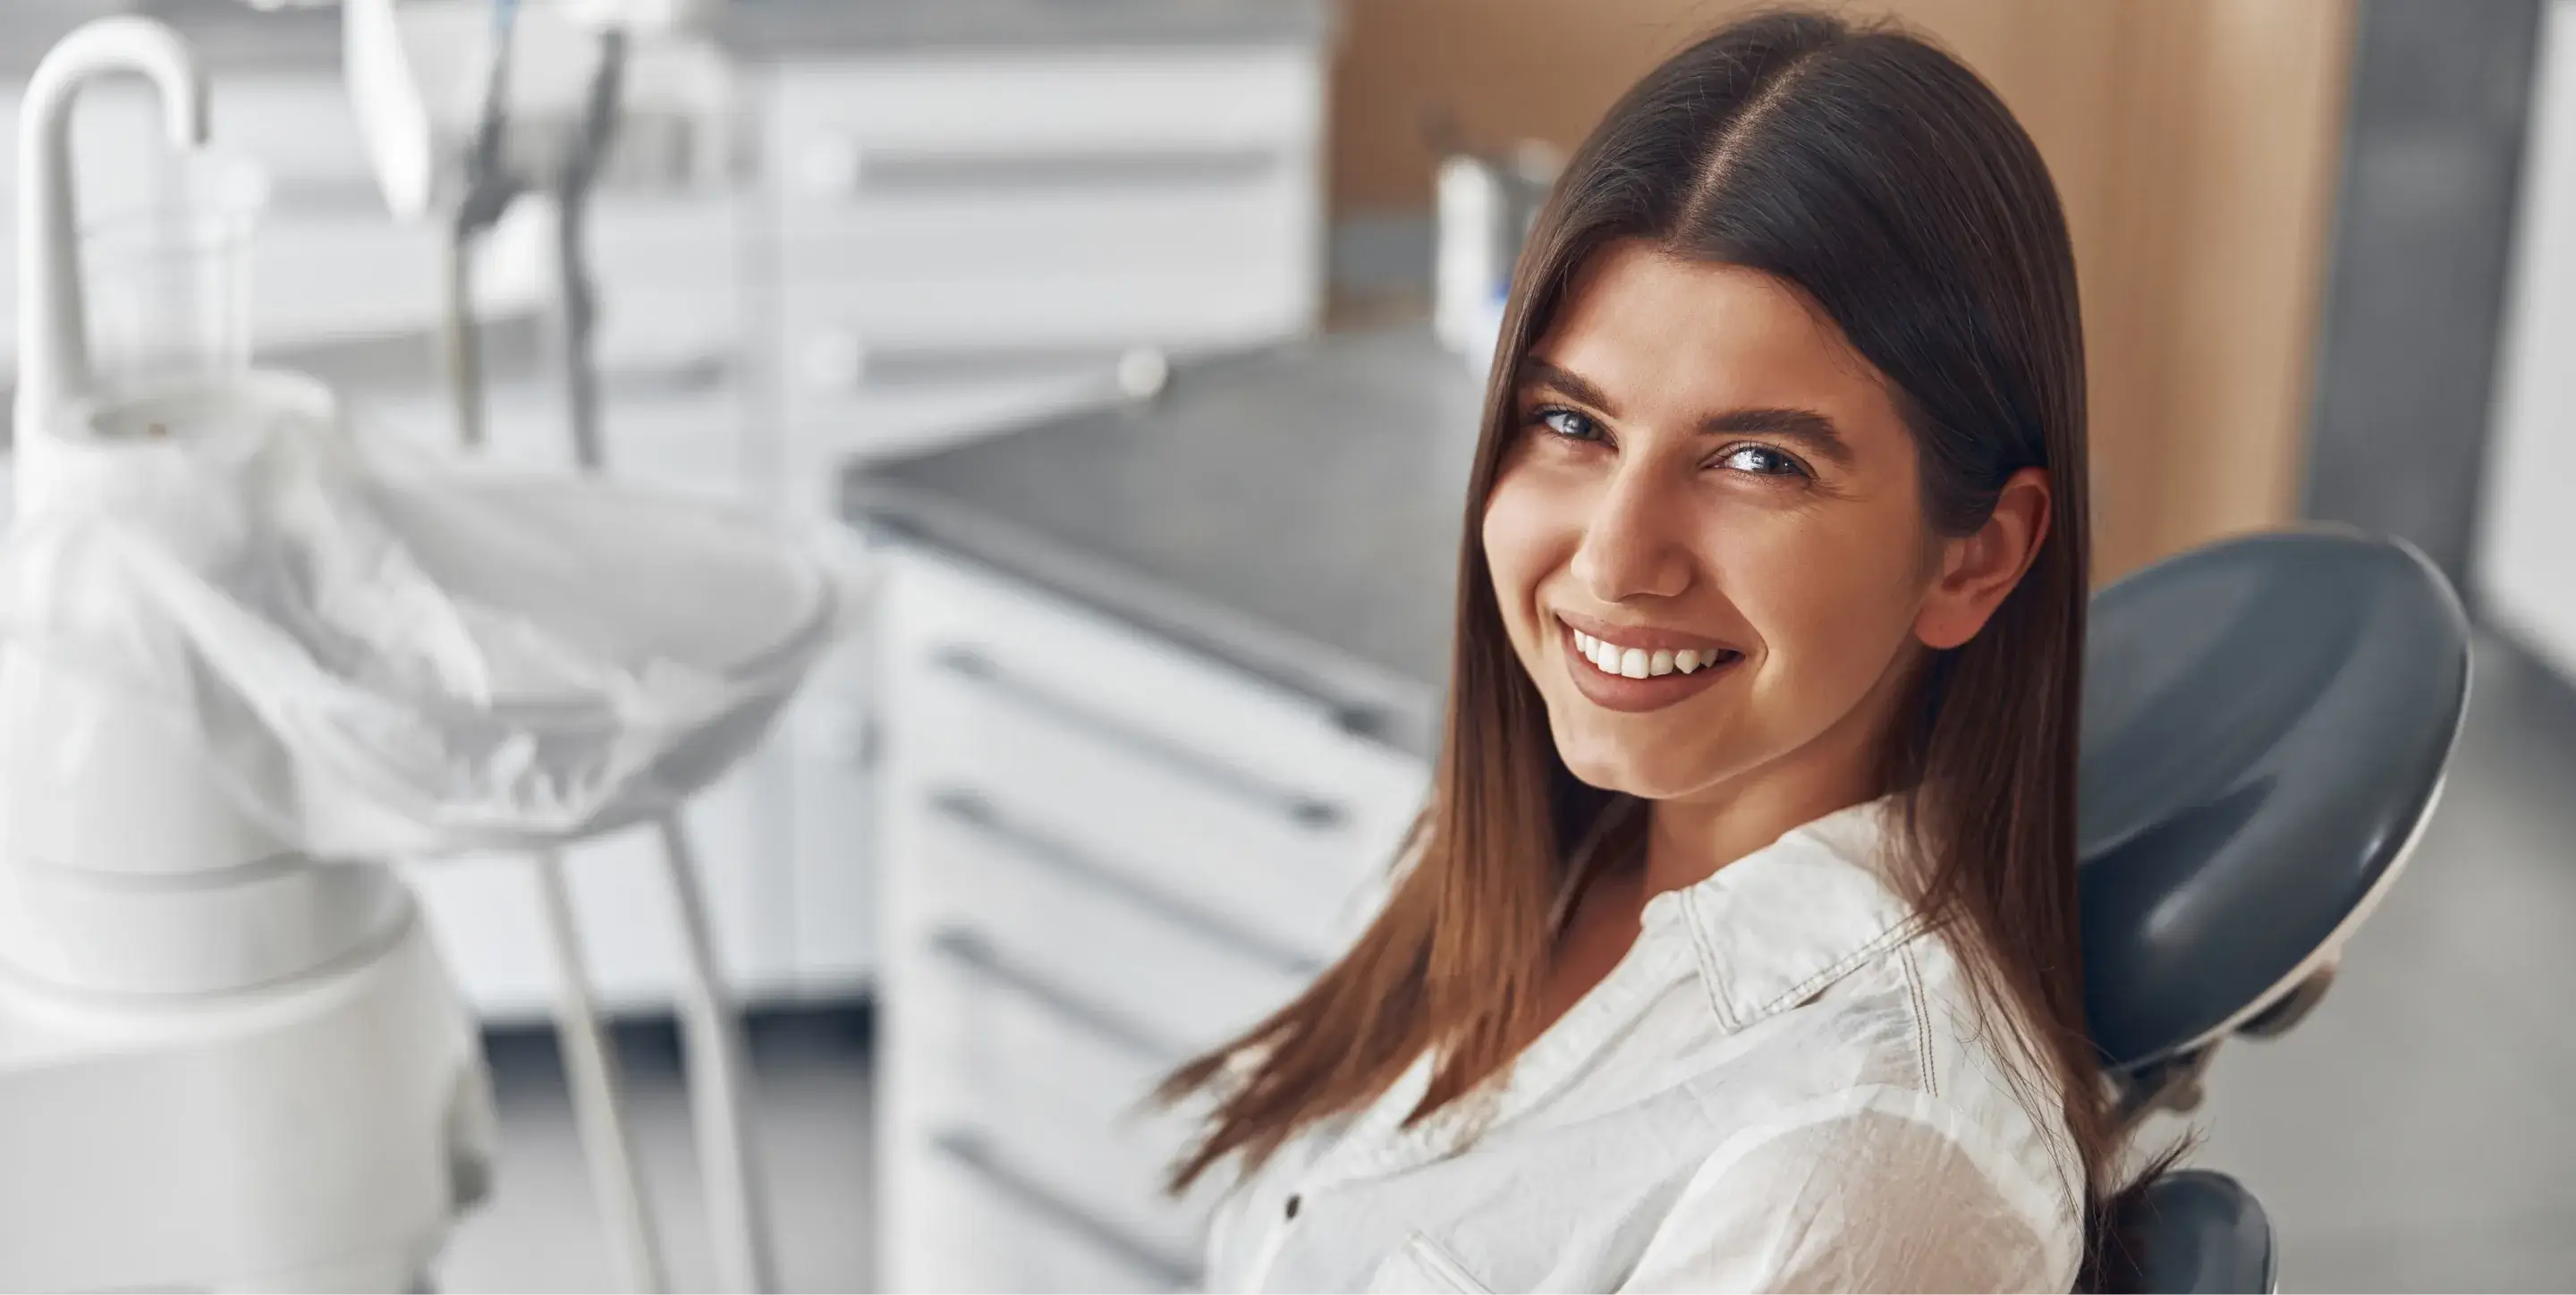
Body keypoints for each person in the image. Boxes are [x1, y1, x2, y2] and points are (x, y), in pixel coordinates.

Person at [1153, 9, 2161, 1295]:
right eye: (1571, 422)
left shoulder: (1853, 1170)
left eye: (1757, 462)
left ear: (1974, 555)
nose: (1617, 561)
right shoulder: (1525, 851)